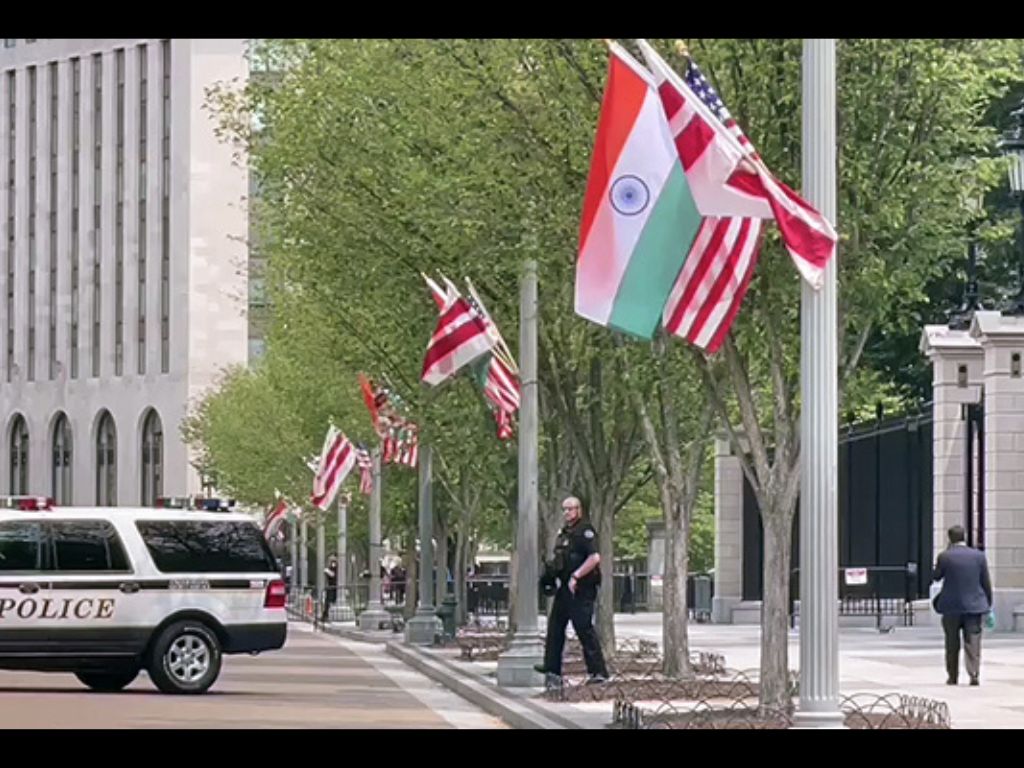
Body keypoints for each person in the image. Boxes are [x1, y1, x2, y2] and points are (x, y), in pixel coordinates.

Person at [534, 496, 609, 684]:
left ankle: (598, 672)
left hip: (582, 588)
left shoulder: (585, 531)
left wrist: (577, 576)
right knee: (555, 626)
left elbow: (594, 558)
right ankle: (552, 667)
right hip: (565, 586)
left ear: (579, 510)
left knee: (583, 628)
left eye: (570, 509)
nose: (567, 512)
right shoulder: (564, 533)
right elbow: (561, 559)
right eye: (564, 509)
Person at [932, 524, 993, 686]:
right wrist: (988, 603)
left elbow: (936, 577)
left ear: (950, 538)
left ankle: (953, 676)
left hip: (951, 606)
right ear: (964, 537)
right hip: (974, 605)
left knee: (952, 643)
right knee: (973, 641)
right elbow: (985, 582)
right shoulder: (979, 556)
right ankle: (974, 674)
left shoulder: (945, 556)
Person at [321, 556, 339, 623]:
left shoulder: (335, 567)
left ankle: (326, 616)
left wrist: (327, 571)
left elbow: (333, 575)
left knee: (329, 602)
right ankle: (325, 616)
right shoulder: (331, 567)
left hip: (333, 587)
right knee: (327, 602)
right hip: (330, 587)